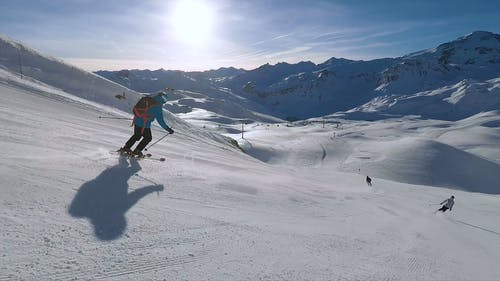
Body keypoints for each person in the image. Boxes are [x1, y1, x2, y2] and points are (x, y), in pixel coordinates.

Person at [119, 92, 174, 157]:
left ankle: (126, 148)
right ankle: (137, 151)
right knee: (148, 138)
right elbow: (160, 121)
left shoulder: (148, 99)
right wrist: (168, 129)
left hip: (136, 120)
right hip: (144, 124)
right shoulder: (157, 107)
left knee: (137, 135)